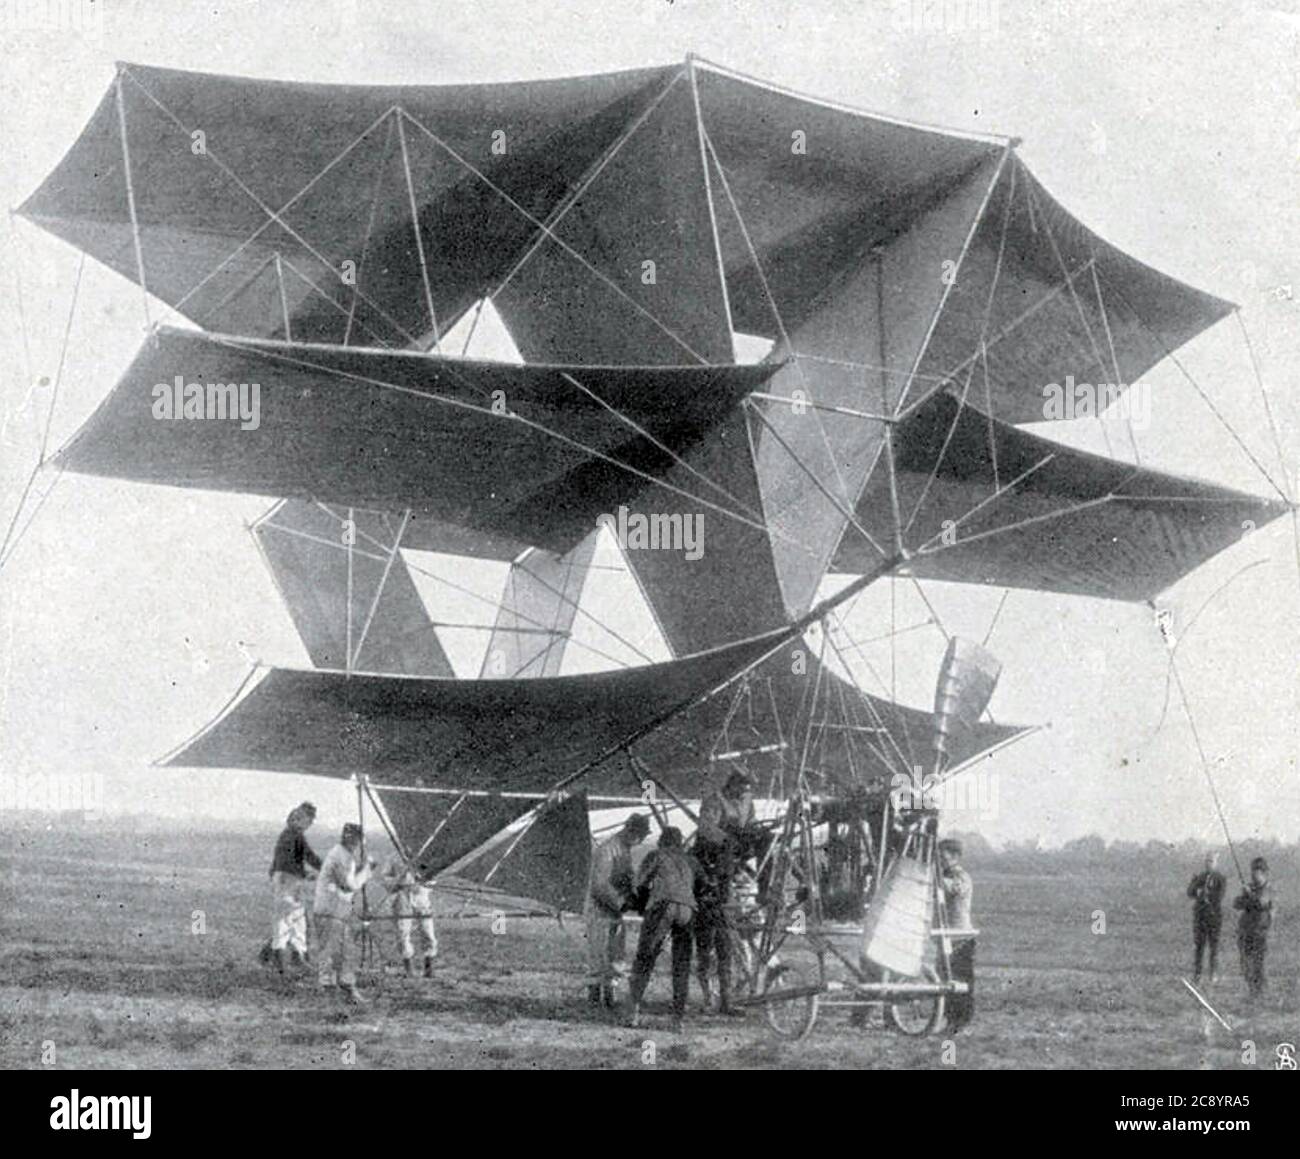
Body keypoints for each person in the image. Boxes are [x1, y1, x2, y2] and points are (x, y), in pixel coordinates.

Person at [694, 770, 759, 1014]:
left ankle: (727, 1000)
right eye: (741, 789)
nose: (744, 793)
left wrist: (751, 835)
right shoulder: (714, 801)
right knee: (709, 943)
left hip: (734, 859)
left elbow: (750, 823)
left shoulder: (747, 800)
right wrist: (727, 841)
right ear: (731, 785)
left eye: (747, 790)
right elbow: (706, 829)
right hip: (713, 858)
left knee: (725, 947)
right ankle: (711, 997)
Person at [628, 827, 701, 1032]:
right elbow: (704, 886)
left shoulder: (656, 855)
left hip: (663, 906)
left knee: (645, 957)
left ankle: (632, 1012)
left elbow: (639, 884)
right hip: (687, 909)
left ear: (662, 841)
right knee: (681, 965)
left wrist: (642, 907)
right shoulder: (691, 860)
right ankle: (678, 1020)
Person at [584, 813, 651, 1008]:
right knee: (598, 950)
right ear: (632, 832)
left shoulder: (625, 850)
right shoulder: (607, 850)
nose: (641, 841)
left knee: (615, 951)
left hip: (615, 909)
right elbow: (599, 885)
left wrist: (634, 898)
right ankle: (595, 995)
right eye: (641, 836)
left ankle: (610, 993)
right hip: (600, 907)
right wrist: (620, 902)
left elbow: (627, 880)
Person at [313, 822, 376, 1004]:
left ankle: (344, 988)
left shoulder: (341, 854)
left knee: (343, 950)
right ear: (355, 840)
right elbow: (349, 885)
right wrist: (366, 871)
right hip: (331, 911)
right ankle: (333, 991)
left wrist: (361, 869)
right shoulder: (342, 857)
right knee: (332, 952)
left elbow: (347, 879)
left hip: (334, 910)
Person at [264, 802, 321, 975]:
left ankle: (296, 958)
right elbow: (300, 858)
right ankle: (281, 962)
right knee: (285, 920)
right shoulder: (292, 836)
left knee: (296, 918)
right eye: (309, 820)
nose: (309, 824)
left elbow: (302, 857)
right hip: (286, 881)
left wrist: (306, 873)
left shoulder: (291, 835)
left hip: (289, 880)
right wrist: (314, 872)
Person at [936, 837, 975, 1032]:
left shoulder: (962, 876)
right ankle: (948, 1017)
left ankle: (960, 1019)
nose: (939, 859)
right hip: (946, 935)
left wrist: (936, 878)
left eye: (942, 856)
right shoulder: (944, 874)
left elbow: (955, 889)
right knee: (945, 978)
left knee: (959, 978)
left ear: (955, 856)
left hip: (960, 935)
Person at [385, 859, 438, 978]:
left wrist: (422, 882)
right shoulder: (394, 860)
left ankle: (429, 968)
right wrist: (399, 881)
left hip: (421, 900)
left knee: (428, 932)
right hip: (402, 901)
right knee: (402, 934)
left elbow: (432, 878)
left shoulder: (423, 860)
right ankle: (409, 969)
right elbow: (386, 881)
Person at [1233, 856, 1274, 1002]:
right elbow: (1236, 903)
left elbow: (1261, 903)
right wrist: (1246, 894)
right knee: (1246, 965)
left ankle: (1261, 994)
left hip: (1261, 932)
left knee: (1259, 965)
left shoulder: (1268, 889)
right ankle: (1253, 993)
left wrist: (1249, 895)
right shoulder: (1251, 887)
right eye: (1252, 871)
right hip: (1246, 931)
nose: (1253, 875)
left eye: (1256, 872)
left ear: (1263, 873)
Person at [1186, 851, 1226, 985]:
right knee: (1199, 947)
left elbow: (1219, 896)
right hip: (1200, 917)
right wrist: (1194, 887)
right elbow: (1190, 892)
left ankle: (1213, 974)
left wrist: (1204, 893)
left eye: (1211, 861)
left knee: (1214, 947)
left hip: (1214, 917)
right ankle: (1197, 974)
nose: (1209, 864)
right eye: (1207, 861)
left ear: (1216, 863)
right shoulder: (1200, 877)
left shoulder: (1220, 878)